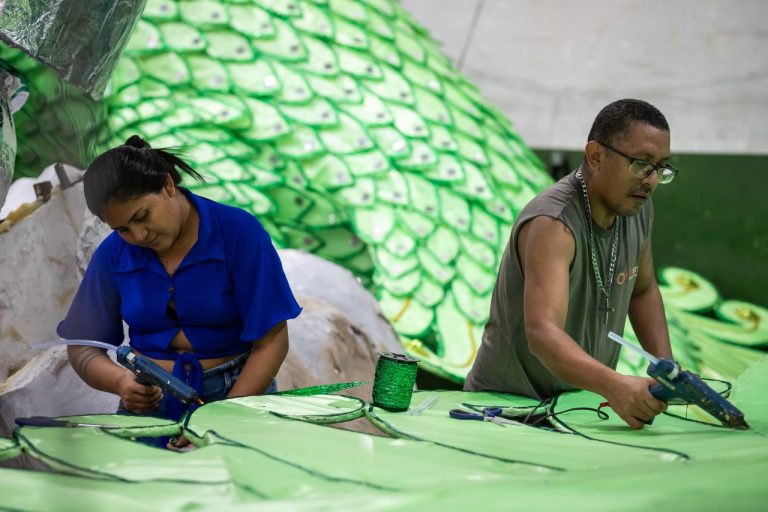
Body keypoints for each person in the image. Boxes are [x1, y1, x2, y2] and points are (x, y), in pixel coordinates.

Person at [58, 135, 302, 426]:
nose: (139, 236)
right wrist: (121, 382)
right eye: (123, 228)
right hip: (150, 399)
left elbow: (272, 343)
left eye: (143, 216)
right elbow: (83, 347)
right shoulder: (113, 253)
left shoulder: (238, 233)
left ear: (168, 186)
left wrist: (222, 418)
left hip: (238, 393)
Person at [465, 99, 678, 429]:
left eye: (661, 168)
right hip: (508, 411)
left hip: (576, 408)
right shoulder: (554, 223)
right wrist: (614, 385)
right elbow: (543, 333)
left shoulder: (636, 209)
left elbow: (643, 289)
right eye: (641, 164)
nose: (651, 180)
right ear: (595, 155)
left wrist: (669, 370)